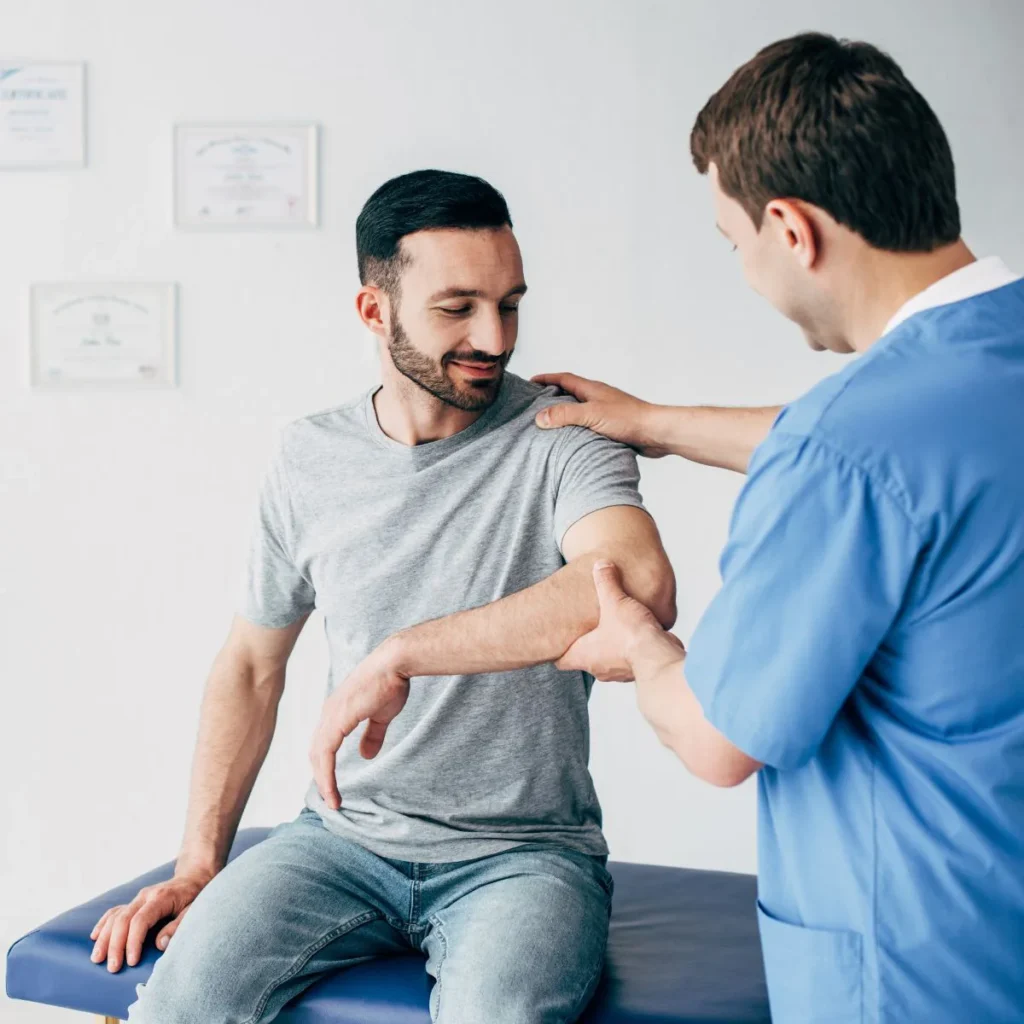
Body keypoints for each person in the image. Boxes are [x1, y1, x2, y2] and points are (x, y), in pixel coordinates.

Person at [89, 169, 676, 1024]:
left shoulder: (563, 434)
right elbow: (252, 665)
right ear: (375, 311)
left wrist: (404, 652)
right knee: (177, 1006)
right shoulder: (308, 458)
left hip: (523, 855)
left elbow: (634, 585)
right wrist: (197, 864)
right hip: (341, 841)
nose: (494, 335)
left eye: (510, 304)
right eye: (458, 307)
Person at [529, 32, 1024, 1024]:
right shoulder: (969, 375)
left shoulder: (846, 447)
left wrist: (639, 644)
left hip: (917, 973)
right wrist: (656, 424)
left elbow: (717, 739)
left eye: (733, 242)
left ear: (791, 229)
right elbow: (912, 454)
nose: (745, 271)